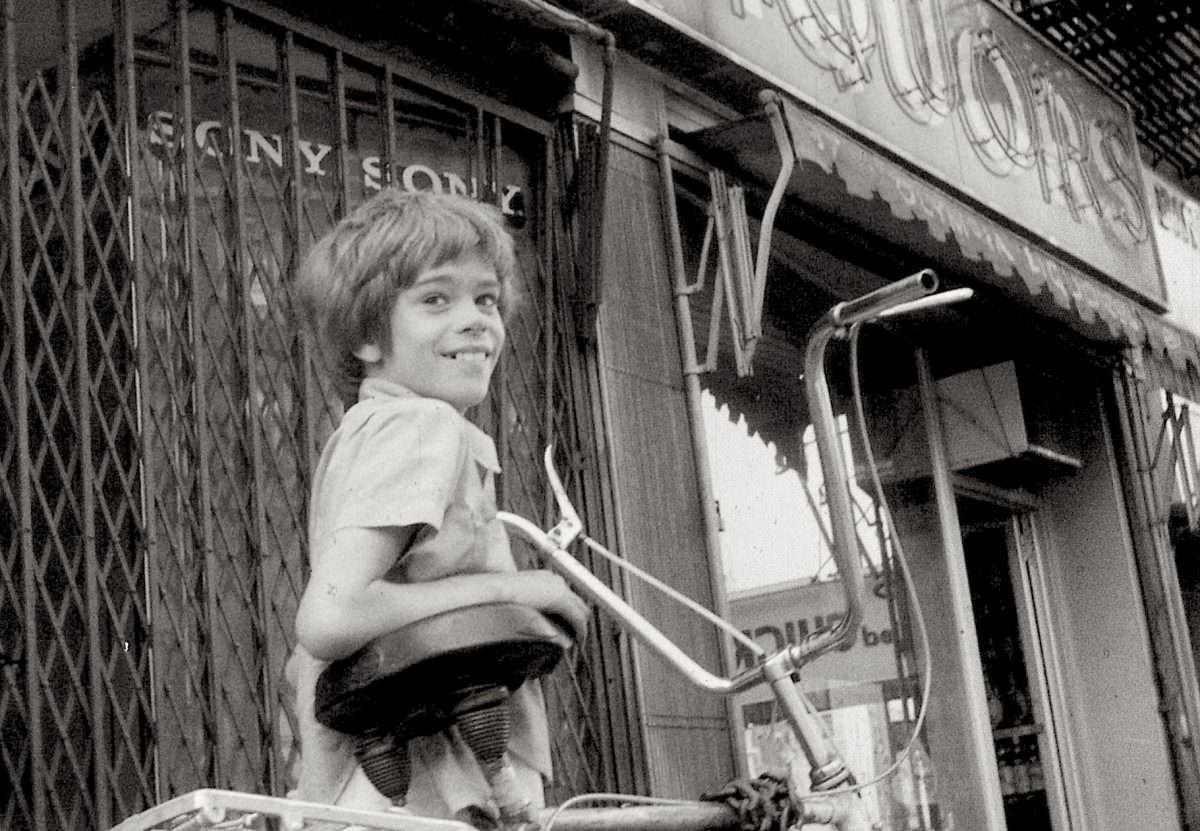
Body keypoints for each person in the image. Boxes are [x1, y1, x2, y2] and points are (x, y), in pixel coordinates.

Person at [287, 188, 590, 822]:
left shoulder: (375, 428)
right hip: (432, 780)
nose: (478, 318)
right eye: (435, 299)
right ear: (367, 336)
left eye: (487, 299)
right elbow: (331, 618)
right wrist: (522, 591)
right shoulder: (420, 427)